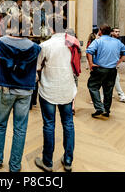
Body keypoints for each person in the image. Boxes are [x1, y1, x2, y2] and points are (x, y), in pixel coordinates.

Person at [0, 26, 41, 172]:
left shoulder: (1, 42)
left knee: (0, 124)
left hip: (7, 89)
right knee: (20, 129)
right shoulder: (34, 47)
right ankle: (15, 166)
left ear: (12, 27)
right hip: (26, 91)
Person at [34, 30, 79, 172]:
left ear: (51, 30)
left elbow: (37, 67)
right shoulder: (72, 44)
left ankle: (47, 162)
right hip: (67, 90)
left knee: (49, 125)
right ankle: (68, 160)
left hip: (49, 90)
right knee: (68, 124)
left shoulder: (45, 45)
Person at [86, 24, 125, 118]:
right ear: (110, 32)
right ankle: (106, 110)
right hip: (112, 70)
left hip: (99, 69)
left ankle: (99, 108)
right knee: (108, 90)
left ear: (100, 31)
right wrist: (118, 62)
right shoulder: (117, 42)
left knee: (93, 86)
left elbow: (89, 51)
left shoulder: (98, 41)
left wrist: (91, 64)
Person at [110, 28, 125, 102]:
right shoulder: (108, 40)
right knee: (113, 79)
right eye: (116, 32)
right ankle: (120, 95)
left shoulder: (118, 42)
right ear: (112, 32)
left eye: (119, 32)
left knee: (115, 79)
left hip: (113, 65)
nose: (118, 33)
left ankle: (120, 95)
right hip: (107, 65)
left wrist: (118, 62)